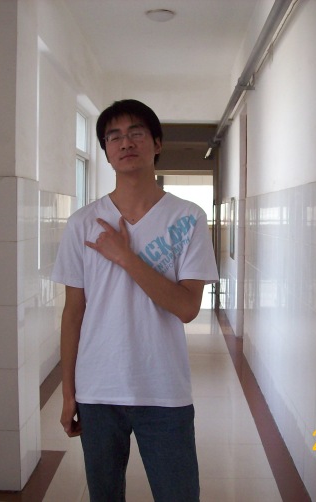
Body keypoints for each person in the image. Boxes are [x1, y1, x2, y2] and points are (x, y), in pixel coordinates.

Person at [51, 99, 219, 501]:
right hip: (98, 391)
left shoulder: (188, 218)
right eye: (114, 137)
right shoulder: (82, 223)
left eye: (136, 133)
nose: (125, 142)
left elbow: (187, 307)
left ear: (157, 144)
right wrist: (69, 393)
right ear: (106, 152)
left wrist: (126, 257)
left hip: (163, 389)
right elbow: (73, 314)